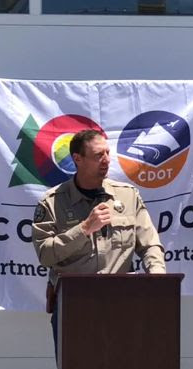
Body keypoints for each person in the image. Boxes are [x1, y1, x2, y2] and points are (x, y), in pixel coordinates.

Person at [32, 129, 166, 355]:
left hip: (123, 304)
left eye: (107, 153)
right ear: (77, 159)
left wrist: (157, 276)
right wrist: (84, 229)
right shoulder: (53, 202)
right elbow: (46, 254)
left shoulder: (127, 195)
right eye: (98, 155)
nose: (106, 160)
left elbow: (149, 243)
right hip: (74, 307)